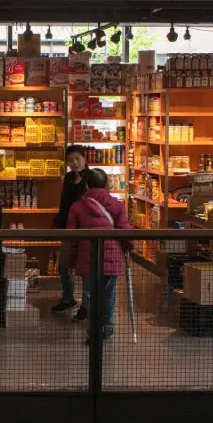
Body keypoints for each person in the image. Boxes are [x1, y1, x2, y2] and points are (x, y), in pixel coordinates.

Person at [65, 168, 131, 340]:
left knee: (91, 294)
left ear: (87, 185)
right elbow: (125, 231)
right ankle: (107, 326)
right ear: (106, 183)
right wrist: (129, 247)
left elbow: (71, 239)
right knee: (109, 294)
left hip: (87, 260)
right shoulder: (117, 205)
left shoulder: (77, 207)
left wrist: (69, 261)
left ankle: (94, 327)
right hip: (112, 259)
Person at [50, 145, 90, 314]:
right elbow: (64, 201)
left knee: (86, 268)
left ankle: (87, 305)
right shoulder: (67, 178)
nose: (74, 163)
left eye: (77, 158)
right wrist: (59, 220)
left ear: (84, 159)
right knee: (64, 265)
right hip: (68, 227)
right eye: (71, 160)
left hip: (85, 230)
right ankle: (68, 297)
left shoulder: (92, 178)